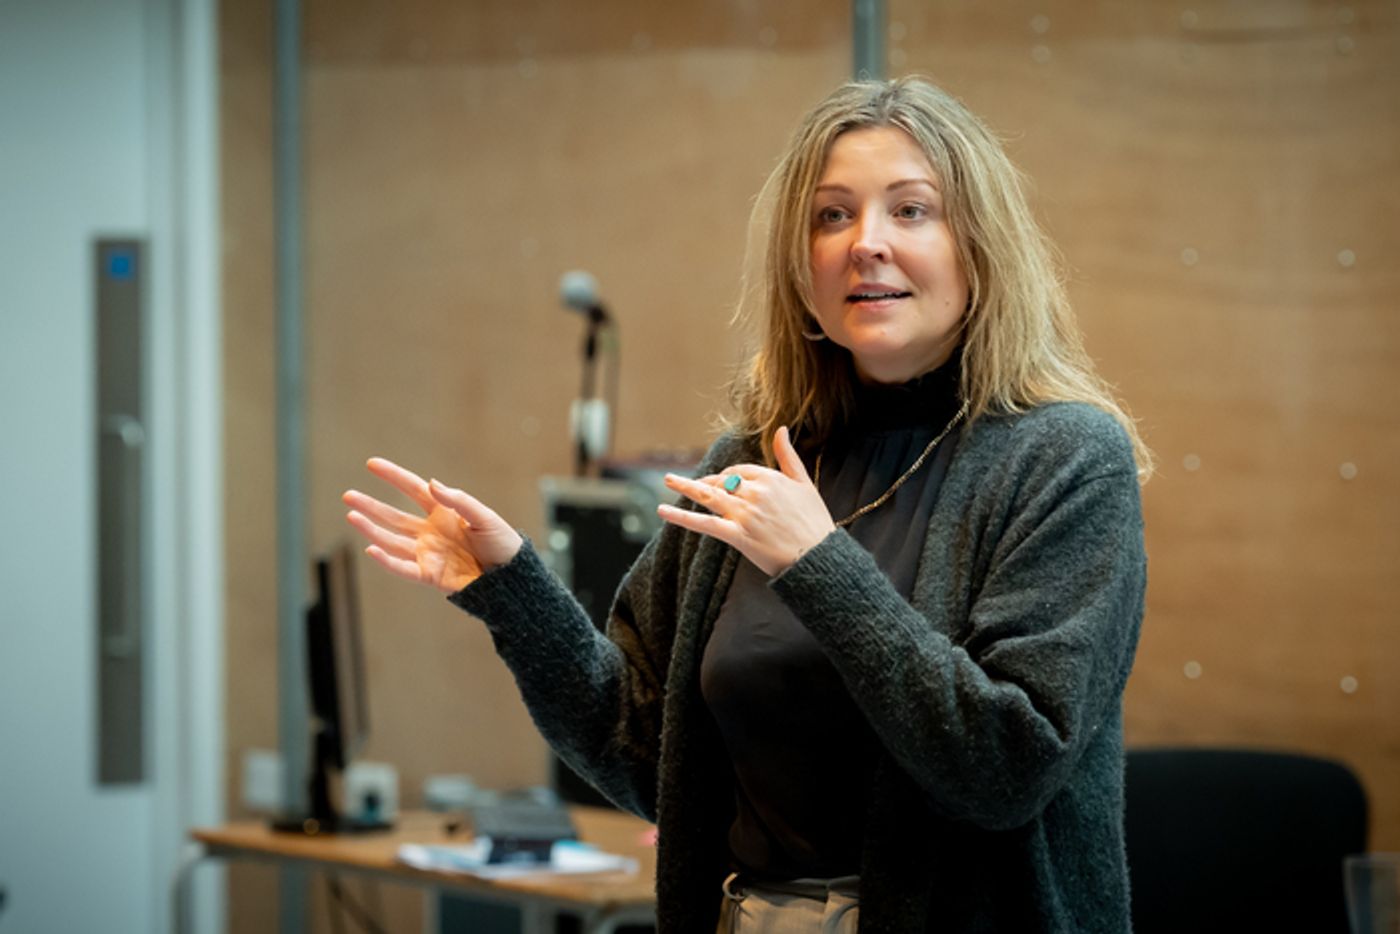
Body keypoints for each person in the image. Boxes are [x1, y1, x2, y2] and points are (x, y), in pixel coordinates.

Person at [344, 76, 1150, 933]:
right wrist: (512, 589)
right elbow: (652, 755)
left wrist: (820, 566)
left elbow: (1003, 769)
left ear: (980, 249)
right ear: (799, 270)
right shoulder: (751, 461)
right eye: (832, 216)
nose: (865, 244)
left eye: (911, 211)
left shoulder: (1065, 459)